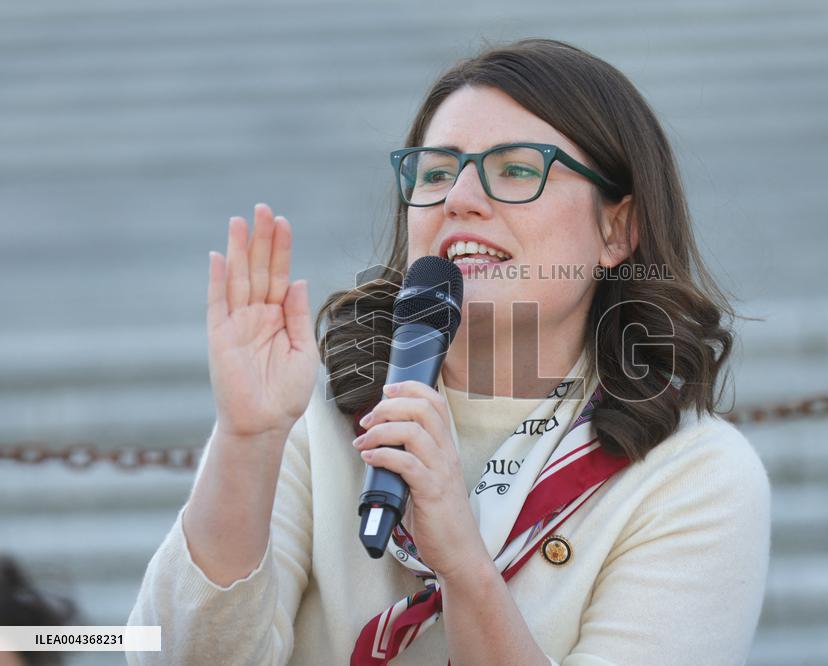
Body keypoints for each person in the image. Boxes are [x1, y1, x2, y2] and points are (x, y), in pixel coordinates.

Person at [126, 37, 771, 665]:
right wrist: (247, 440)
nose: (460, 200)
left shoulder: (695, 475)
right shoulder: (314, 415)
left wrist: (463, 564)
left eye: (516, 169)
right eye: (435, 173)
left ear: (617, 228)